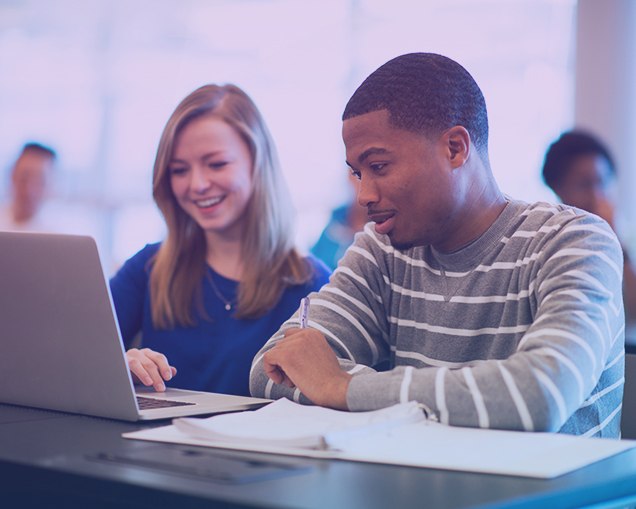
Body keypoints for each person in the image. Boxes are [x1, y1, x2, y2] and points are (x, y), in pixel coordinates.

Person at [250, 53, 624, 437]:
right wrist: (342, 384)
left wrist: (341, 386)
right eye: (357, 173)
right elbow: (270, 367)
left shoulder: (575, 240)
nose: (363, 194)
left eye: (378, 167)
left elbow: (540, 394)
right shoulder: (382, 250)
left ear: (455, 149)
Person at [110, 84, 330, 397]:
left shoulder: (310, 284)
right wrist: (120, 365)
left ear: (257, 163)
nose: (197, 184)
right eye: (179, 170)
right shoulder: (148, 268)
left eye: (216, 164)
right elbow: (74, 356)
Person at [542, 130, 636, 326]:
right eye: (584, 185)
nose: (596, 197)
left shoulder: (627, 235)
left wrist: (615, 239)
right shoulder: (548, 241)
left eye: (602, 182)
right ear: (557, 188)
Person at [310, 173, 368, 269]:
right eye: (357, 174)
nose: (364, 184)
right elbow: (313, 263)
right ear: (349, 177)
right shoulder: (335, 221)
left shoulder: (384, 230)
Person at [0, 142, 56, 232]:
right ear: (12, 176)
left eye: (39, 182)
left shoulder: (56, 235)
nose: (30, 190)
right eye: (24, 179)